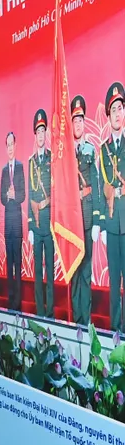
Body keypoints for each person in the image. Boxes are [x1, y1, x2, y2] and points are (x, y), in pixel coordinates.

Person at [72, 96, 102, 324]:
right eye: (75, 121)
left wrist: (97, 220)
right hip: (71, 220)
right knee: (74, 270)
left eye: (81, 120)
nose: (79, 124)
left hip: (87, 216)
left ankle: (87, 320)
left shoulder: (91, 150)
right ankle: (75, 319)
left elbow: (97, 184)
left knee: (86, 271)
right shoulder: (65, 155)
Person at [101, 82, 125, 330]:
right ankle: (116, 331)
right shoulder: (103, 150)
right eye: (113, 110)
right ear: (108, 117)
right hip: (111, 224)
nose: (117, 114)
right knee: (113, 281)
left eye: (120, 108)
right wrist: (101, 224)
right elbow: (100, 190)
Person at [28, 109, 54, 318]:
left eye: (43, 131)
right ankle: (39, 311)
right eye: (38, 132)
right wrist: (29, 225)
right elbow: (30, 193)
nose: (40, 135)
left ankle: (51, 313)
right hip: (37, 226)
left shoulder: (52, 159)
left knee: (50, 273)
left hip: (50, 224)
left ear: (46, 135)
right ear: (34, 136)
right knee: (38, 272)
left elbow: (56, 190)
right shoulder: (30, 163)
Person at [1, 131, 26, 311]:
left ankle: (18, 301)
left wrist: (14, 195)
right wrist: (6, 196)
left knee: (18, 263)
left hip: (17, 223)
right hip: (7, 223)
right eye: (7, 145)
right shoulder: (3, 171)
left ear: (15, 146)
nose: (10, 148)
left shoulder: (20, 167)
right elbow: (1, 199)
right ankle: (10, 300)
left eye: (12, 145)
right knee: (9, 264)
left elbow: (24, 195)